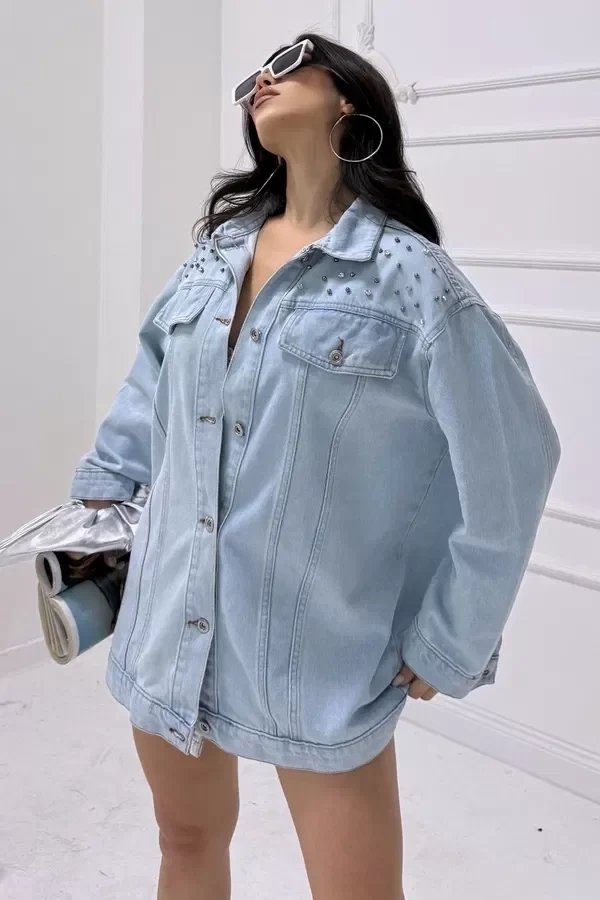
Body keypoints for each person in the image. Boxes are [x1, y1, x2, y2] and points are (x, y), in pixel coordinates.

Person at [71, 32, 560, 900]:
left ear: (350, 98)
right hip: (168, 620)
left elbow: (515, 457)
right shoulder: (214, 255)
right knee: (185, 839)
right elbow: (150, 382)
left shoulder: (408, 277)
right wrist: (99, 499)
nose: (263, 77)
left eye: (291, 59)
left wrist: (453, 636)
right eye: (253, 74)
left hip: (315, 653)